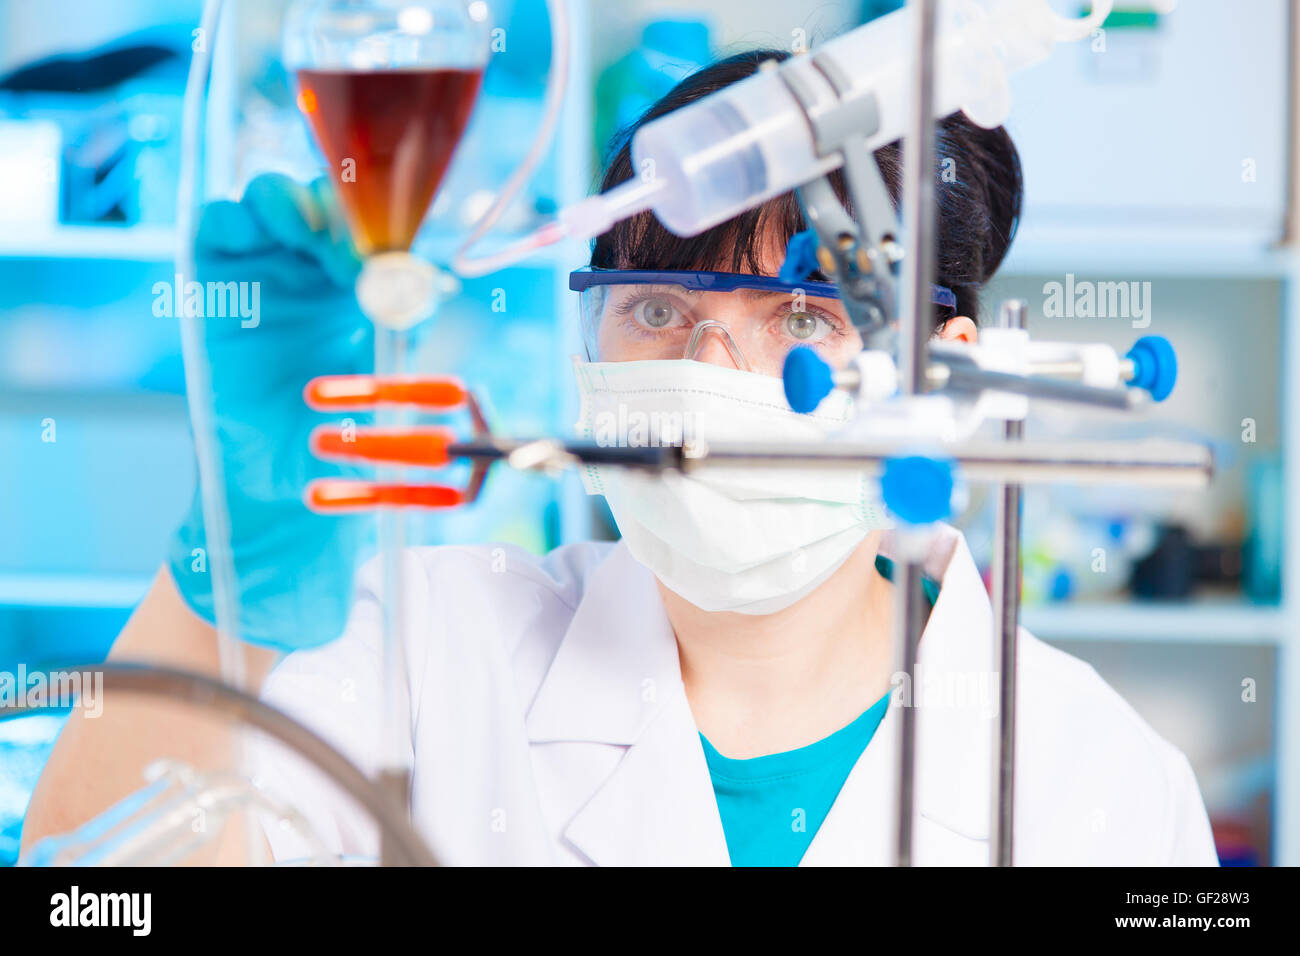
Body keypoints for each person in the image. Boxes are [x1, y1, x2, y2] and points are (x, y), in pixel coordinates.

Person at [23, 51, 1218, 866]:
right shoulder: (427, 649)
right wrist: (225, 579)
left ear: (948, 376)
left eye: (803, 319)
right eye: (655, 304)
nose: (708, 366)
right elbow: (94, 896)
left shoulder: (1097, 778)